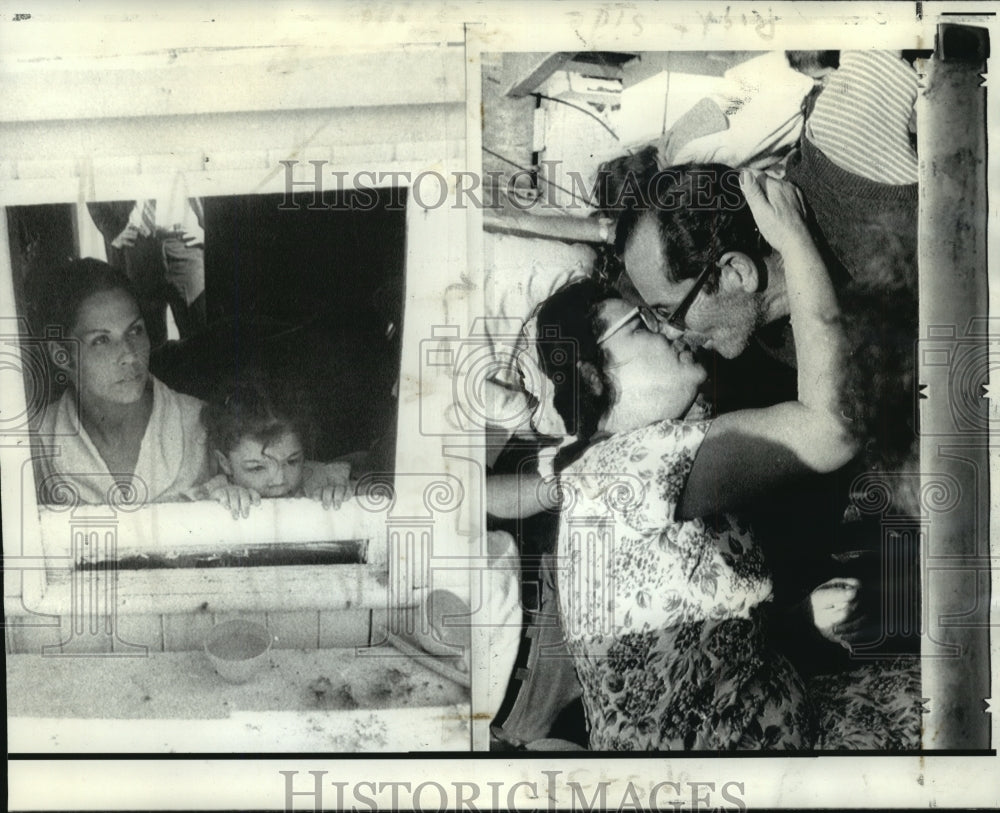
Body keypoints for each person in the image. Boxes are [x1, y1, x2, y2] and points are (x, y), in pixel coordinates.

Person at [511, 171, 854, 750]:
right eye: (643, 323)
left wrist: (791, 622)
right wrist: (795, 242)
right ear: (597, 377)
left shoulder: (602, 476)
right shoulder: (644, 463)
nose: (671, 329)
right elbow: (833, 428)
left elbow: (684, 640)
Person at [28, 258, 211, 505]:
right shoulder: (36, 441)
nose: (129, 354)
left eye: (135, 331)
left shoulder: (203, 423)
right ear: (61, 355)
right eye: (101, 340)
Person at [194, 378, 354, 518]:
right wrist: (217, 506)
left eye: (292, 461)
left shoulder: (322, 480)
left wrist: (341, 499)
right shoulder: (217, 492)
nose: (280, 481)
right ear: (225, 463)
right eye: (257, 468)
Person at [87, 197, 207, 347]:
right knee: (148, 340)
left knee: (200, 335)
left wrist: (207, 229)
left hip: (184, 244)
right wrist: (113, 230)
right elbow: (92, 187)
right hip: (139, 247)